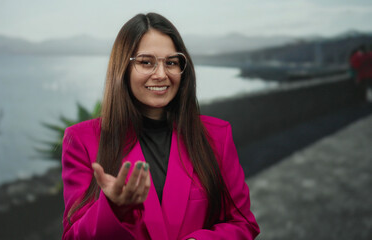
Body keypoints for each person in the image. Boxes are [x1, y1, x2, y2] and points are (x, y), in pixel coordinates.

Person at [61, 12, 260, 240]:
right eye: (146, 62)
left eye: (172, 62)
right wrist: (113, 209)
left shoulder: (217, 136)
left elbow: (243, 223)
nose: (161, 74)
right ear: (122, 68)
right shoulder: (82, 140)